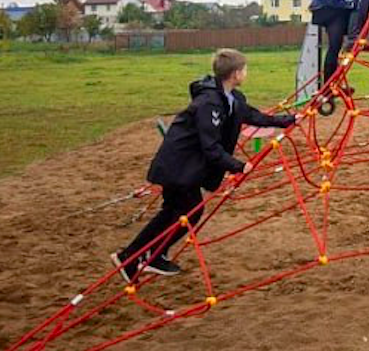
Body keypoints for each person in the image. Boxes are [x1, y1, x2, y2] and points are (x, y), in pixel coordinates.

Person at [110, 49, 295, 282]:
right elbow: (211, 146)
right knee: (189, 212)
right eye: (245, 69)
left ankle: (140, 257)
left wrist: (288, 120)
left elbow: (253, 116)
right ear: (236, 73)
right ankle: (135, 257)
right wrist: (238, 165)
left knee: (175, 213)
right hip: (178, 165)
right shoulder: (208, 103)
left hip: (187, 167)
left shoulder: (232, 98)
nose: (246, 73)